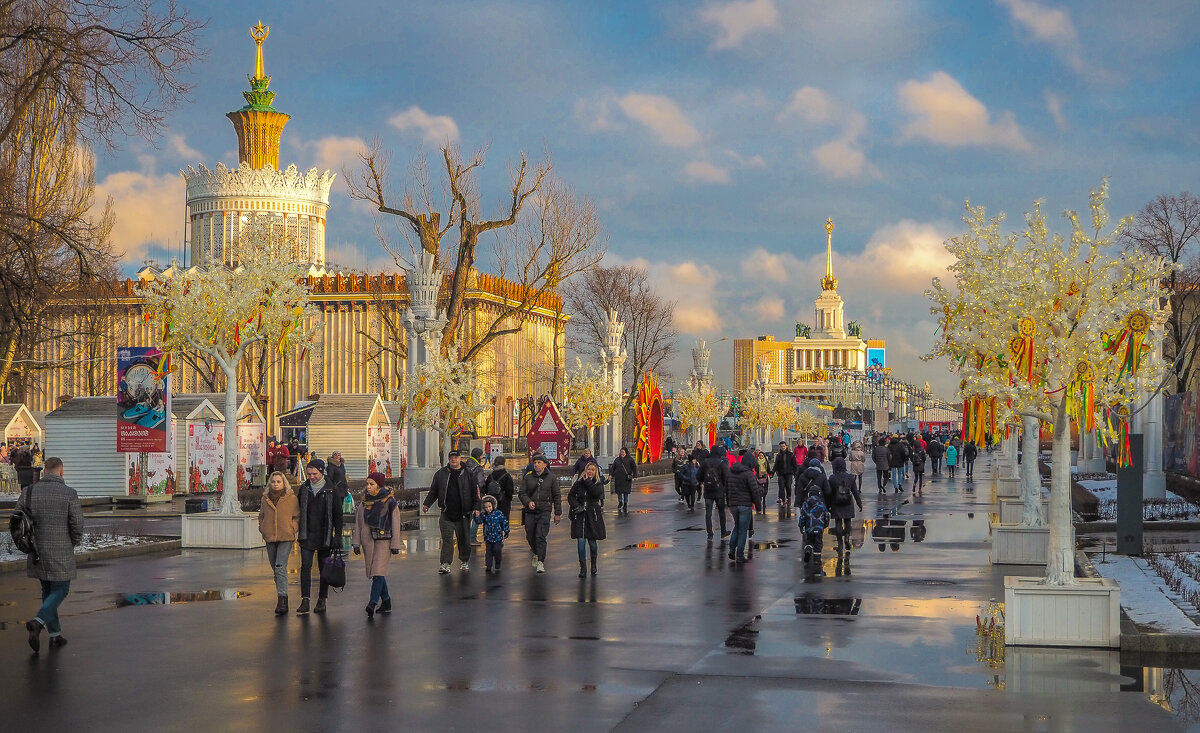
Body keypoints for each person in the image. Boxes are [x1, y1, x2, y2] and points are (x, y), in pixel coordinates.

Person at [22, 457, 82, 653]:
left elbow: (17, 520)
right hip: (61, 549)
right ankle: (38, 622)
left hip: (36, 550)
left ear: (44, 471)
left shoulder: (28, 492)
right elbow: (76, 525)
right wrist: (72, 542)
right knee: (62, 589)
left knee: (48, 591)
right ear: (61, 472)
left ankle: (55, 635)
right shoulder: (69, 494)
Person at [296, 459, 345, 614]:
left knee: (324, 569)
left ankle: (322, 599)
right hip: (307, 534)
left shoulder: (331, 489)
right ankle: (305, 599)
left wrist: (337, 535)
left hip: (325, 535)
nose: (311, 477)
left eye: (314, 473)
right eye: (309, 474)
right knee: (305, 567)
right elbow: (297, 509)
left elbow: (338, 514)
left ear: (321, 472)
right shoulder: (304, 488)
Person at [422, 450, 481, 574]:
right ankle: (445, 563)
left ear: (460, 458)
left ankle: (464, 561)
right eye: (451, 458)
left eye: (456, 457)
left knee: (463, 539)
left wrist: (477, 507)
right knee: (447, 539)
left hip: (463, 514)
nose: (454, 460)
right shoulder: (441, 474)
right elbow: (434, 491)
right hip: (446, 513)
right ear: (448, 459)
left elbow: (475, 493)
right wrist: (427, 504)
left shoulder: (468, 474)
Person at [352, 472, 401, 618]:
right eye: (367, 483)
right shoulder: (364, 502)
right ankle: (386, 601)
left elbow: (396, 523)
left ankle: (372, 603)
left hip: (384, 542)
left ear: (379, 485)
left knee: (378, 573)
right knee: (376, 573)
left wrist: (395, 545)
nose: (368, 487)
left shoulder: (390, 502)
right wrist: (356, 542)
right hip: (369, 542)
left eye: (371, 484)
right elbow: (359, 523)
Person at [258, 470, 300, 615]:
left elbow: (296, 516)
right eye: (273, 482)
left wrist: (292, 528)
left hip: (286, 537)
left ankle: (283, 600)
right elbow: (261, 515)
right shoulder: (265, 498)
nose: (276, 484)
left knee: (280, 566)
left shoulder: (291, 498)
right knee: (275, 569)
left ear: (284, 483)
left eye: (278, 482)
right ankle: (281, 594)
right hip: (270, 537)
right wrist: (263, 528)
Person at [519, 453, 562, 573]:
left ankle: (541, 562)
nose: (536, 465)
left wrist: (557, 513)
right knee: (530, 535)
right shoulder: (528, 477)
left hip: (544, 510)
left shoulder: (551, 478)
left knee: (540, 536)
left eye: (539, 463)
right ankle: (536, 552)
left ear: (545, 465)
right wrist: (528, 502)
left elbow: (556, 496)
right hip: (530, 511)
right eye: (535, 462)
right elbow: (522, 493)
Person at [568, 461, 607, 577]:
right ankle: (583, 567)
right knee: (580, 540)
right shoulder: (578, 483)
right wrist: (577, 506)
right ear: (585, 470)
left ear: (596, 472)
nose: (590, 472)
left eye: (592, 470)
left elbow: (596, 494)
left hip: (592, 514)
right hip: (580, 514)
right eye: (588, 469)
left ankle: (593, 563)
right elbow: (570, 496)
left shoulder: (598, 483)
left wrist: (588, 482)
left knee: (592, 542)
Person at [827, 457, 863, 563]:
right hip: (848, 502)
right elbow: (855, 492)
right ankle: (847, 538)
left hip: (836, 502)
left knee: (838, 521)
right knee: (847, 521)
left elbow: (829, 492)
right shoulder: (850, 477)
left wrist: (828, 505)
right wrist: (859, 503)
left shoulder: (832, 478)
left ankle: (840, 543)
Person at [727, 452, 759, 563]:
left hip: (733, 505)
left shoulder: (731, 472)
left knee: (737, 526)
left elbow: (727, 489)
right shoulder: (749, 474)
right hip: (745, 505)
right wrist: (758, 505)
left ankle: (731, 549)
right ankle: (740, 554)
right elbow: (754, 491)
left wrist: (729, 503)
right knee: (742, 530)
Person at [698, 443, 732, 541]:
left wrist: (703, 481)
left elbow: (698, 475)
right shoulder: (721, 463)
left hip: (708, 491)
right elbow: (727, 476)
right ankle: (723, 532)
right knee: (721, 511)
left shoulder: (705, 462)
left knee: (708, 513)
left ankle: (710, 534)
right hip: (719, 491)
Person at [797, 474, 829, 565]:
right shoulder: (821, 503)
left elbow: (802, 516)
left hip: (809, 526)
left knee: (809, 541)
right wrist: (825, 524)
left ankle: (807, 550)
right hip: (819, 527)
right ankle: (817, 559)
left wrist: (801, 526)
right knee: (818, 543)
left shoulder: (806, 503)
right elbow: (826, 515)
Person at [473, 494, 510, 573]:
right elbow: (479, 521)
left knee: (497, 550)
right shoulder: (484, 515)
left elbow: (504, 522)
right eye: (486, 507)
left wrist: (506, 530)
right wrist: (476, 516)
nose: (488, 509)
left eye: (489, 507)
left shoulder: (498, 513)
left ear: (493, 506)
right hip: (488, 537)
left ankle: (497, 562)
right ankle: (488, 565)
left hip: (498, 537)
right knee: (488, 552)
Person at [486, 456, 516, 523]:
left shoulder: (490, 475)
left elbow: (485, 488)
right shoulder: (506, 475)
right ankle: (504, 532)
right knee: (503, 520)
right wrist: (508, 499)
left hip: (492, 502)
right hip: (504, 502)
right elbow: (510, 490)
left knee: (492, 521)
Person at [610, 446, 637, 513]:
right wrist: (611, 475)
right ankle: (620, 502)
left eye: (623, 452)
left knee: (625, 492)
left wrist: (635, 476)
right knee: (618, 492)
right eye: (621, 452)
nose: (621, 453)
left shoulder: (630, 459)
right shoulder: (617, 460)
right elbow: (613, 468)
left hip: (626, 479)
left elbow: (634, 467)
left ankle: (625, 504)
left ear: (626, 453)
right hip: (618, 478)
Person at [773, 440, 798, 509]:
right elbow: (776, 465)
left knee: (788, 487)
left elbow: (795, 465)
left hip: (789, 474)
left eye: (784, 446)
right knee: (781, 488)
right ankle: (783, 501)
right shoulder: (778, 455)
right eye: (781, 446)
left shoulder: (791, 454)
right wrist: (772, 472)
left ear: (786, 446)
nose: (783, 447)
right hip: (781, 474)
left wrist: (796, 474)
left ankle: (789, 498)